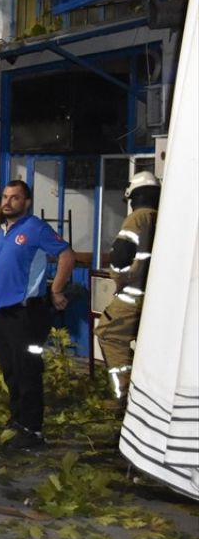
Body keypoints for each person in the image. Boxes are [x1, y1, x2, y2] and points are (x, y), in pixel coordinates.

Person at [0, 180, 74, 450]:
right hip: (4, 314)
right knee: (10, 371)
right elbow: (0, 271)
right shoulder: (2, 231)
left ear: (27, 202)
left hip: (27, 314)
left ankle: (33, 429)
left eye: (15, 198)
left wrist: (56, 290)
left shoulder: (36, 228)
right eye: (5, 197)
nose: (7, 202)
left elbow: (67, 255)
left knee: (28, 371)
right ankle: (18, 420)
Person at [95, 170, 160, 405]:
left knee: (108, 334)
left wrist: (119, 279)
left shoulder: (138, 218)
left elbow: (121, 256)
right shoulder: (164, 217)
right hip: (157, 299)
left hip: (133, 296)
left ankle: (124, 394)